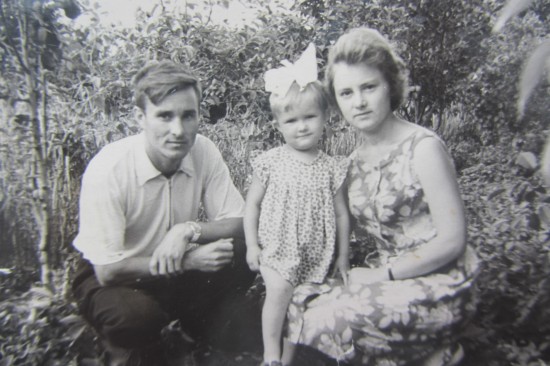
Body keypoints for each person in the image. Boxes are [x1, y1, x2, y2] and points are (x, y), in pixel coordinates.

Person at [285, 28, 479, 366]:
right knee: (299, 301)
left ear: (390, 85)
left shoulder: (423, 148)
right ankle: (422, 356)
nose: (358, 102)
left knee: (329, 320)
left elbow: (453, 240)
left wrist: (384, 275)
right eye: (346, 93)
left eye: (368, 87)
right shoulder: (353, 164)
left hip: (442, 282)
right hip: (386, 280)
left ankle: (435, 352)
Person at [71, 60, 256, 366]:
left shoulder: (203, 150)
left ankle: (199, 324)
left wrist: (187, 230)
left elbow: (238, 221)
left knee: (247, 245)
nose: (178, 130)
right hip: (114, 277)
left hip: (171, 269)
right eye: (164, 116)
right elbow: (107, 270)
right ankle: (125, 341)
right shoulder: (109, 169)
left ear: (199, 115)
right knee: (137, 318)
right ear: (140, 117)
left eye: (188, 115)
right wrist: (189, 260)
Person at [244, 43, 351, 366]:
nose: (302, 126)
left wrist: (344, 255)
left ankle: (287, 358)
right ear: (278, 125)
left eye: (309, 117)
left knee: (299, 304)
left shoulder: (332, 167)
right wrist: (251, 245)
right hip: (276, 249)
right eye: (291, 121)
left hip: (314, 252)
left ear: (325, 117)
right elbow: (252, 206)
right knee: (279, 292)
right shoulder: (271, 162)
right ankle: (270, 355)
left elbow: (342, 213)